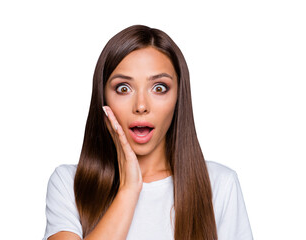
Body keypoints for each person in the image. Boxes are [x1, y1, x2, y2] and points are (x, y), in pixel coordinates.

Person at [42, 25, 253, 240]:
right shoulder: (69, 183)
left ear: (179, 97)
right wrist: (129, 189)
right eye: (123, 88)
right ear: (103, 98)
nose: (141, 106)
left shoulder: (219, 184)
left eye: (159, 88)